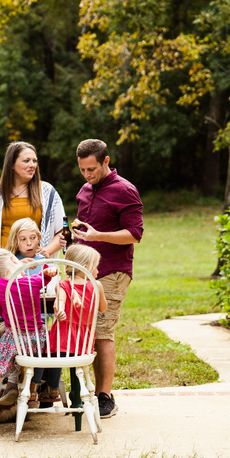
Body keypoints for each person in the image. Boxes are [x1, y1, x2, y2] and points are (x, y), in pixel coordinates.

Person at [73, 139, 144, 419]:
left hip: (112, 272)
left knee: (102, 332)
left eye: (92, 169)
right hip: (83, 273)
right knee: (82, 332)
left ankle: (105, 397)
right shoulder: (84, 190)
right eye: (82, 170)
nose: (87, 175)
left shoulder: (125, 190)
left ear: (106, 161)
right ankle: (85, 392)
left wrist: (97, 235)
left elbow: (134, 234)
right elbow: (82, 230)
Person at [0, 249, 54, 439]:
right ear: (15, 259)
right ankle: (13, 384)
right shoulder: (33, 281)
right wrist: (42, 270)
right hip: (38, 342)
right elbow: (45, 277)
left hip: (15, 339)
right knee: (15, 354)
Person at [0, 141, 65, 261]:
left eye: (34, 161)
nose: (32, 165)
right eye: (26, 160)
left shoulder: (47, 192)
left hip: (36, 265)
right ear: (12, 164)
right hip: (3, 265)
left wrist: (46, 251)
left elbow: (62, 231)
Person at [6, 217, 57, 407]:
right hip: (16, 322)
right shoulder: (10, 261)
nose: (29, 243)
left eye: (33, 238)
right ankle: (34, 388)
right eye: (23, 239)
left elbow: (54, 290)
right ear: (15, 241)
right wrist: (17, 266)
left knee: (53, 339)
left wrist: (51, 273)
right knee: (42, 338)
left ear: (39, 238)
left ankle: (43, 388)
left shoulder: (45, 262)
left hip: (40, 320)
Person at [50, 244, 107, 356]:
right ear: (85, 268)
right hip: (84, 340)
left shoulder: (62, 285)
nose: (97, 271)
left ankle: (53, 374)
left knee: (55, 363)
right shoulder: (97, 285)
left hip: (62, 338)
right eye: (95, 267)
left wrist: (60, 311)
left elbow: (60, 301)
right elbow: (103, 309)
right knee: (78, 369)